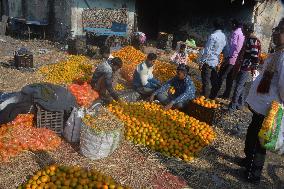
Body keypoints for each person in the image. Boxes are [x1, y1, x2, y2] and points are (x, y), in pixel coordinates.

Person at [236, 18, 284, 184]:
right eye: (276, 30)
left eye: (281, 31)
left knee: (259, 142)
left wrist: (279, 106)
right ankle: (247, 161)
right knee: (251, 134)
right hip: (259, 107)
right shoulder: (276, 53)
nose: (277, 33)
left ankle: (253, 174)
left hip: (268, 109)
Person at [228, 23, 261, 112]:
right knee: (241, 86)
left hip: (246, 67)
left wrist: (253, 69)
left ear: (247, 30)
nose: (242, 31)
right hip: (244, 66)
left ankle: (232, 106)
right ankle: (240, 104)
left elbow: (255, 57)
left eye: (243, 29)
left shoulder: (253, 41)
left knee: (238, 86)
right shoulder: (249, 39)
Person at [210, 19, 245, 99]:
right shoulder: (242, 33)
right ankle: (226, 95)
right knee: (229, 78)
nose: (231, 25)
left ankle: (213, 94)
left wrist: (228, 58)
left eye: (232, 24)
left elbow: (233, 47)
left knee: (221, 76)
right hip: (235, 59)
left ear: (234, 24)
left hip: (231, 58)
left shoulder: (235, 33)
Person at [199, 19, 227, 98]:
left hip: (208, 61)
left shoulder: (213, 36)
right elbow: (224, 49)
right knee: (213, 80)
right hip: (215, 61)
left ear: (214, 26)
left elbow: (207, 51)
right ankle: (212, 96)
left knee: (206, 81)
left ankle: (204, 98)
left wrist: (202, 62)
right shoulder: (224, 37)